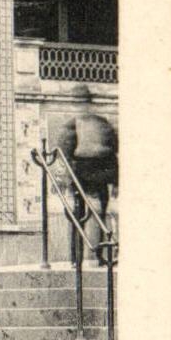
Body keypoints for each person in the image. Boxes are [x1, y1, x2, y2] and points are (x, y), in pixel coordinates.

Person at [54, 85, 117, 266]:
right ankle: (76, 258)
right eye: (78, 103)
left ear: (89, 103)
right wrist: (67, 179)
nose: (81, 106)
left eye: (83, 102)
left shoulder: (101, 123)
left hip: (99, 176)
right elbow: (64, 155)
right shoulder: (71, 126)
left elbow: (112, 151)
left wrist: (115, 181)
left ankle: (98, 255)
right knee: (77, 217)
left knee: (99, 216)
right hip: (79, 177)